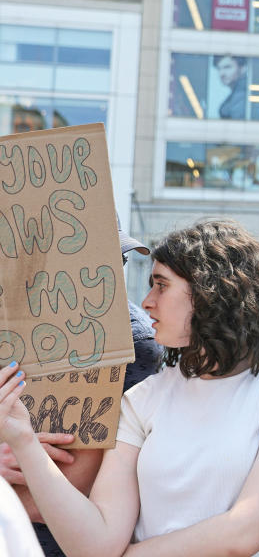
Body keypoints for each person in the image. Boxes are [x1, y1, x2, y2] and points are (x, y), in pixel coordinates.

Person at [0, 219, 259, 556]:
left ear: (210, 291)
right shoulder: (144, 397)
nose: (146, 302)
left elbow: (244, 532)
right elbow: (97, 543)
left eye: (161, 285)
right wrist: (23, 440)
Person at [0, 218, 162, 557]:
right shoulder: (14, 326)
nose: (108, 276)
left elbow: (61, 496)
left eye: (119, 259)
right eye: (89, 262)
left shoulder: (133, 345)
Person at [213, 54, 247, 119]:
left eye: (227, 67)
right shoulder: (236, 94)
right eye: (219, 69)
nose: (221, 73)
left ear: (243, 68)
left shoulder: (243, 94)